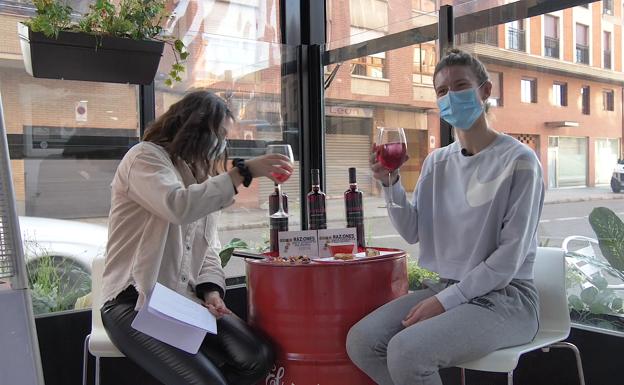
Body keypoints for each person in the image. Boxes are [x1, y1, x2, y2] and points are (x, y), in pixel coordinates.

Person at [346, 49, 545, 385]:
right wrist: (391, 184)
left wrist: (444, 302)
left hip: (508, 300)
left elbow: (508, 259)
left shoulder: (520, 161)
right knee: (363, 342)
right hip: (450, 288)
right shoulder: (437, 162)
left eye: (461, 85)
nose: (451, 96)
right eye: (442, 91)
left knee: (408, 352)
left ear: (485, 91)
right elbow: (412, 231)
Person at [100, 91, 293, 385]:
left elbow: (207, 248)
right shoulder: (144, 157)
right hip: (134, 302)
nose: (222, 145)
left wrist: (211, 290)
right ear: (195, 129)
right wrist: (244, 171)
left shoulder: (199, 176)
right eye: (220, 135)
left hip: (182, 301)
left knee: (258, 357)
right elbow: (178, 206)